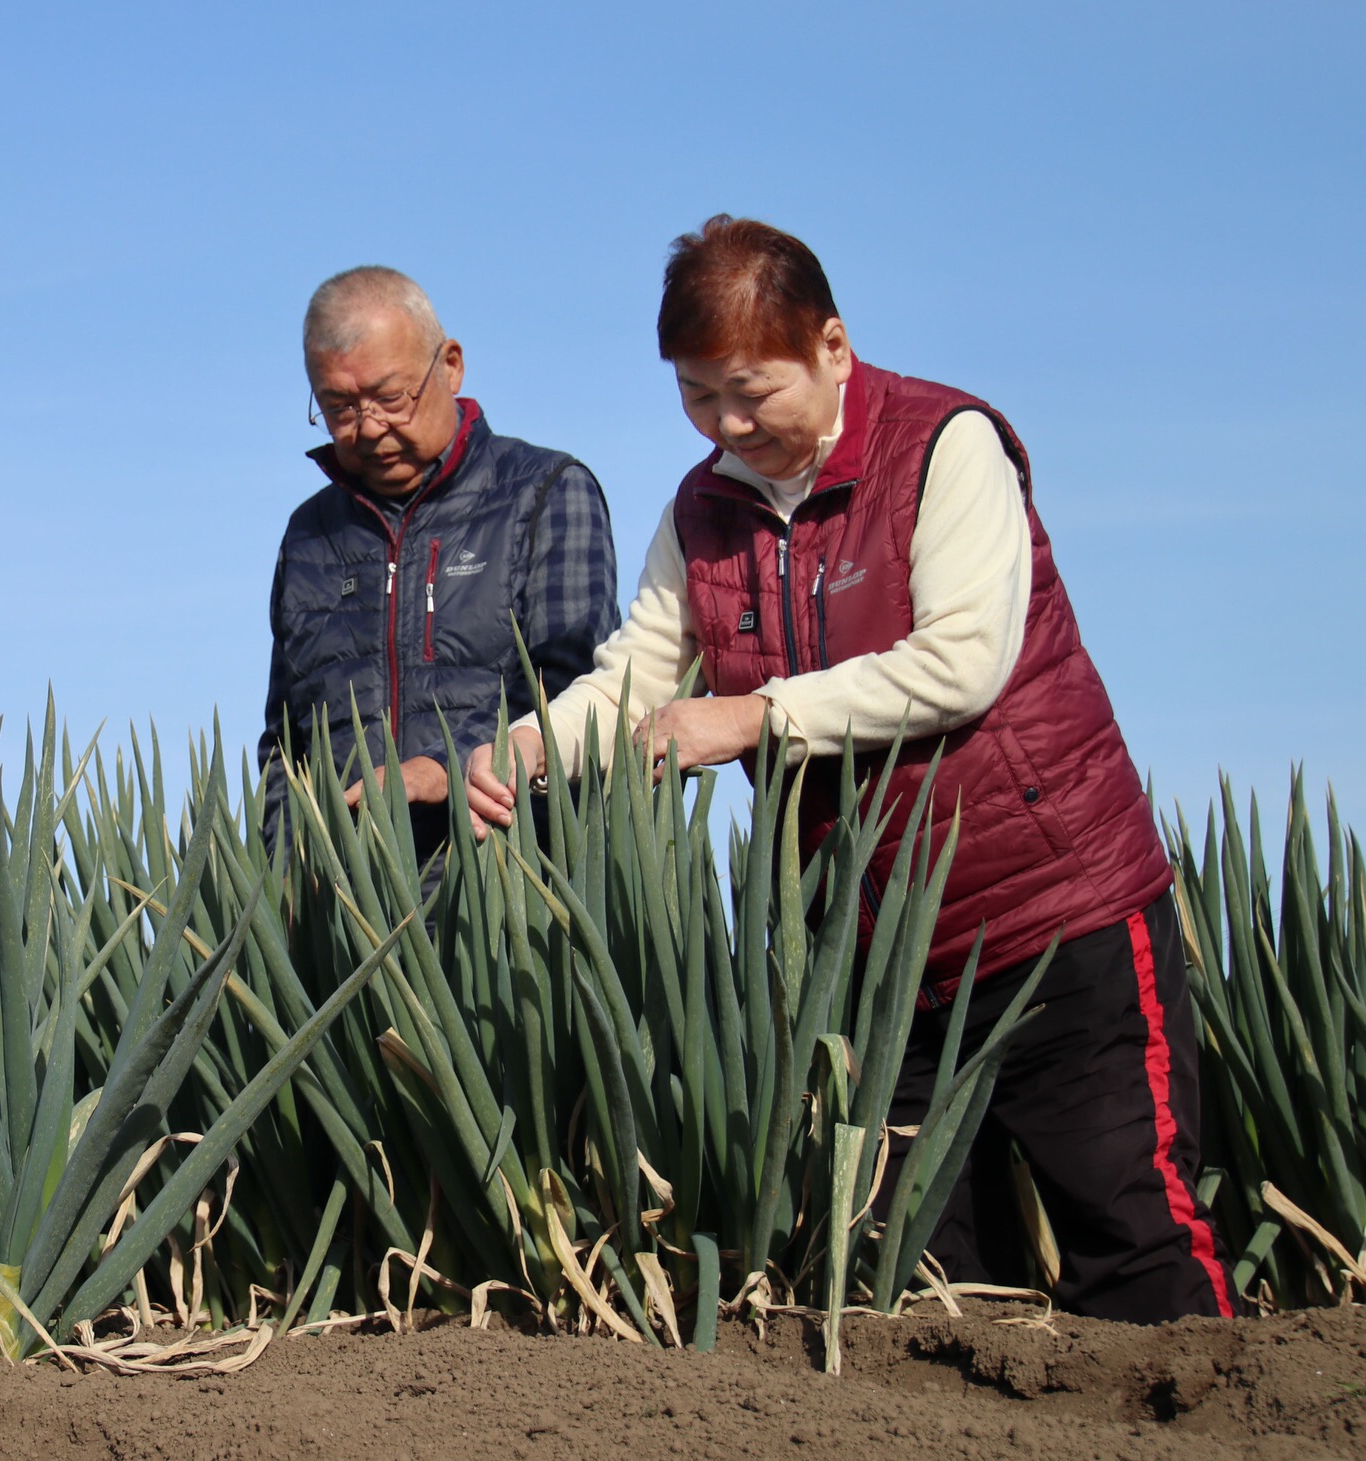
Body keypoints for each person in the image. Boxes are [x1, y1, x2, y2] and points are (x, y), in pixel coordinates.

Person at [468, 216, 1231, 1323]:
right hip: (873, 963)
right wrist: (534, 745)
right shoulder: (705, 508)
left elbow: (964, 663)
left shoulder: (945, 446)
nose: (728, 424)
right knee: (926, 1272)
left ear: (832, 345)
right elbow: (638, 674)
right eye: (695, 396)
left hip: (1053, 914)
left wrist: (754, 717)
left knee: (1132, 1233)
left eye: (750, 390)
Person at [258, 266, 616, 864]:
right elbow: (285, 744)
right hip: (350, 910)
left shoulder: (546, 492)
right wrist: (285, 879)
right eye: (339, 408)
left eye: (391, 398)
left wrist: (449, 773)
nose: (369, 428)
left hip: (512, 889)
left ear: (449, 364)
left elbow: (579, 700)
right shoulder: (310, 533)